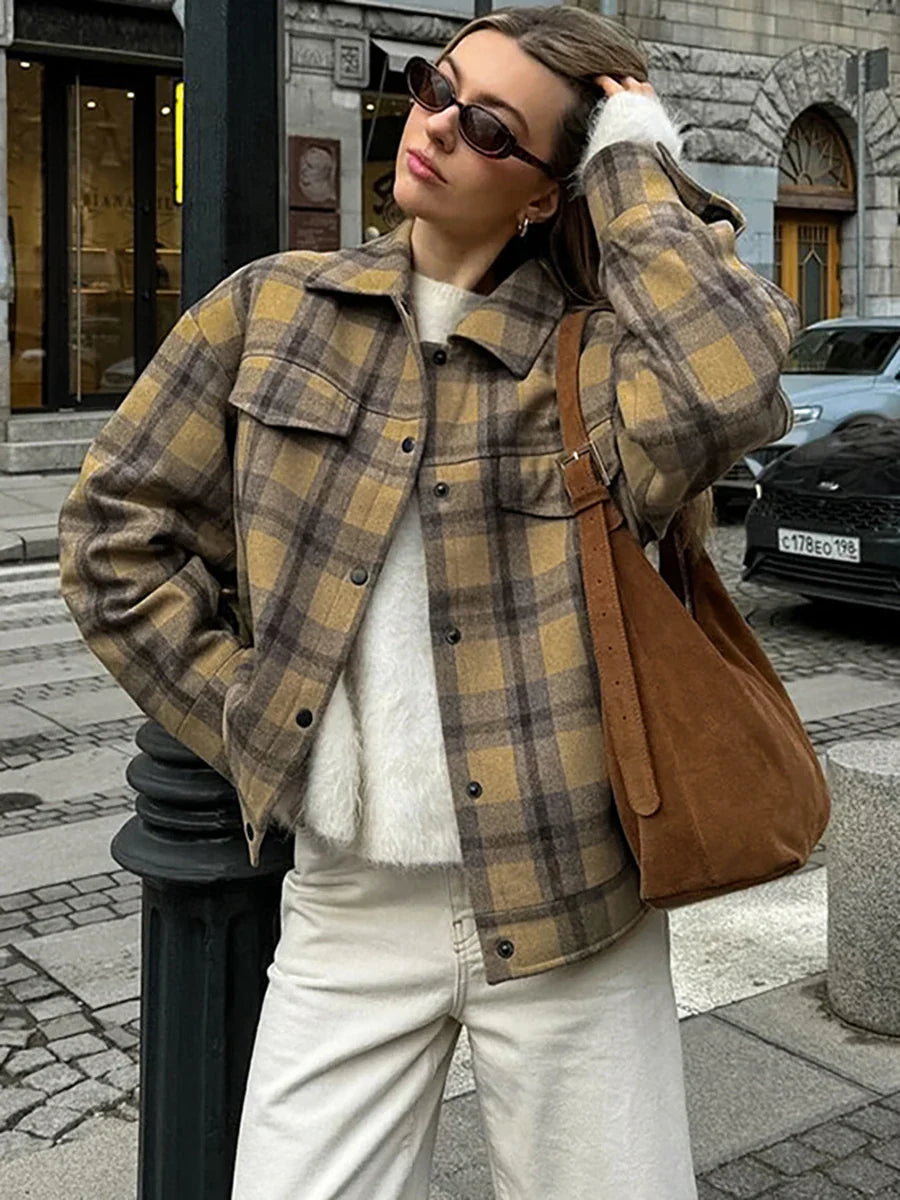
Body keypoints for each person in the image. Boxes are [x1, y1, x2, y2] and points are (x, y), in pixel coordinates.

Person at [57, 7, 798, 1199]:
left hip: (573, 902)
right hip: (348, 901)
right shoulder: (271, 312)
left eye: (491, 127)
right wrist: (251, 716)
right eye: (436, 87)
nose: (439, 126)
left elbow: (732, 381)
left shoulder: (600, 359)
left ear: (547, 193)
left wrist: (631, 161)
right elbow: (112, 539)